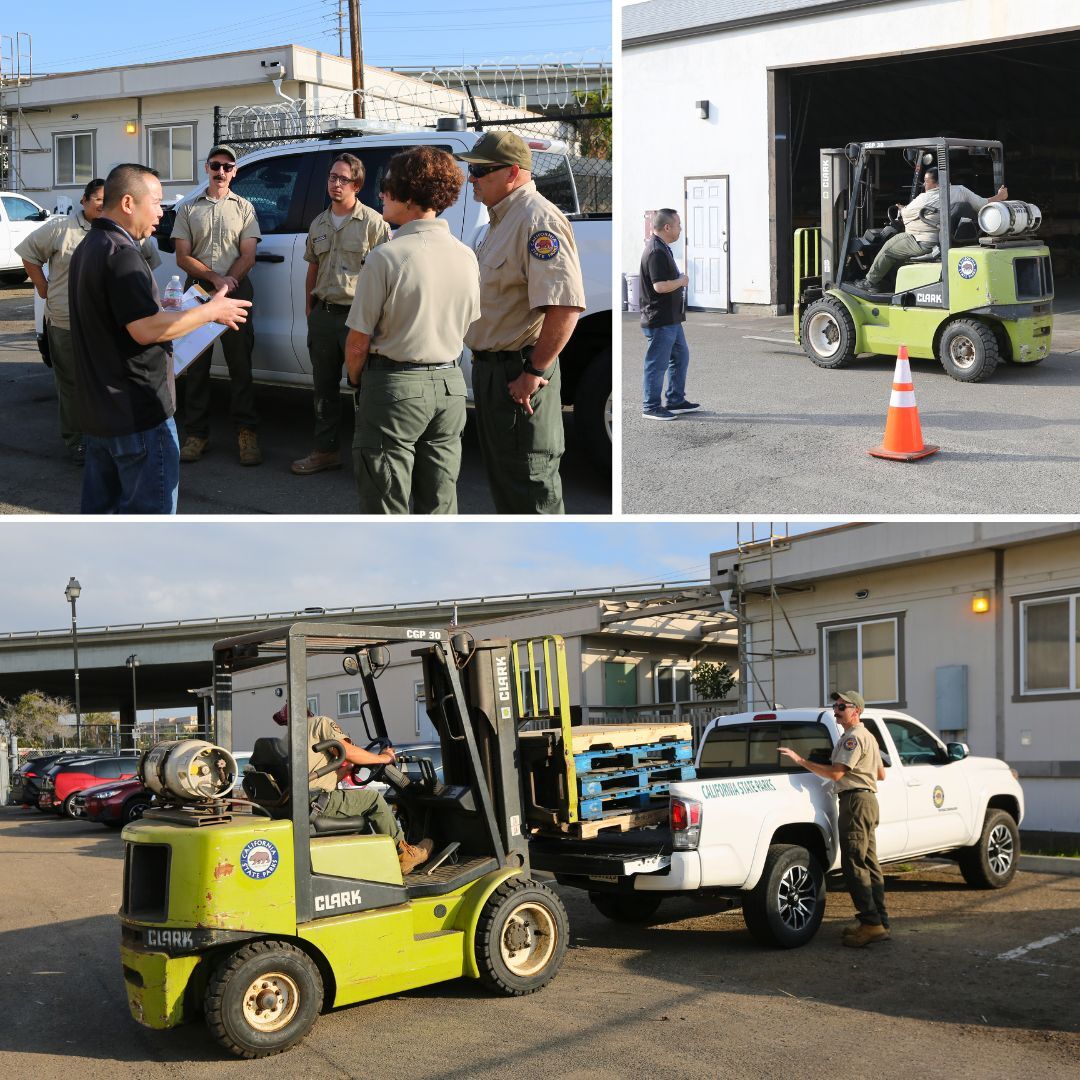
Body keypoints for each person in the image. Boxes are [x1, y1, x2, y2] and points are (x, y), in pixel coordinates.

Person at [67, 164, 251, 514]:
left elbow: (122, 317)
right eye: (156, 202)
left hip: (101, 414)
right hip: (137, 414)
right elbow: (145, 329)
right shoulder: (123, 255)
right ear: (127, 203)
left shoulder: (91, 245)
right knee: (148, 531)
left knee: (101, 523)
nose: (161, 213)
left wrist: (164, 309)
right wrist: (212, 312)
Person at [455, 131, 585, 515]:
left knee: (531, 485)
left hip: (520, 373)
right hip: (494, 371)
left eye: (481, 171)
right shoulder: (501, 219)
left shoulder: (536, 219)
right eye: (471, 170)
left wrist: (533, 371)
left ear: (513, 172)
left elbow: (564, 307)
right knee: (507, 483)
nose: (471, 179)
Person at [345, 146, 480, 514]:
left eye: (387, 187)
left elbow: (358, 342)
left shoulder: (387, 256)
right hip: (450, 384)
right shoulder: (465, 254)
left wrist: (357, 381)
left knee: (385, 501)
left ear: (407, 193)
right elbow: (469, 322)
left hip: (395, 386)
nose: (381, 194)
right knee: (440, 501)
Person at [17, 178, 161, 465]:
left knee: (106, 386)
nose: (102, 203)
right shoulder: (61, 228)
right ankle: (76, 441)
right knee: (71, 385)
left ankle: (104, 440)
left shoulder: (128, 232)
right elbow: (28, 253)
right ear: (83, 201)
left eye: (106, 198)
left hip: (109, 328)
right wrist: (42, 287)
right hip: (65, 323)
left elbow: (148, 262)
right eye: (97, 198)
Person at [292, 153, 391, 476]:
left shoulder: (374, 224)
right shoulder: (319, 223)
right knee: (324, 389)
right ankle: (326, 450)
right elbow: (313, 268)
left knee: (365, 389)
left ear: (357, 185)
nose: (335, 184)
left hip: (358, 319)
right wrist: (310, 309)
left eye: (343, 179)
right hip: (324, 315)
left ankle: (369, 458)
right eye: (332, 177)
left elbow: (386, 276)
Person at [171, 145, 263, 465]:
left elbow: (248, 254)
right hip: (198, 294)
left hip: (235, 293)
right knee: (197, 368)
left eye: (227, 166)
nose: (221, 171)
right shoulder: (187, 209)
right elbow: (182, 256)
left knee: (241, 367)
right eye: (215, 165)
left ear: (235, 171)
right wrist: (214, 279)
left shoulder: (245, 208)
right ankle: (196, 435)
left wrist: (227, 282)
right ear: (206, 168)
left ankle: (246, 433)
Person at [778, 690, 889, 948]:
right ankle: (879, 922)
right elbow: (881, 773)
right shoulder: (868, 736)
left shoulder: (853, 738)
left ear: (856, 711)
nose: (836, 710)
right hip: (867, 801)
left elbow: (837, 774)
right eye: (835, 705)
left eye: (842, 706)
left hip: (855, 802)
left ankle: (871, 924)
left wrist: (801, 760)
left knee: (855, 864)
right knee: (869, 863)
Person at [273, 703, 433, 875]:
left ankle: (370, 859)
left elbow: (317, 777)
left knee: (358, 807)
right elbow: (347, 751)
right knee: (373, 800)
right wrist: (383, 758)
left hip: (301, 801)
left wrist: (348, 769)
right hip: (315, 802)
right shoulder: (320, 723)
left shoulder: (289, 738)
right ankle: (404, 855)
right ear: (308, 713)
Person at [856, 167, 1009, 293]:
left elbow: (905, 215)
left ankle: (870, 282)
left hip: (922, 241)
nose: (924, 185)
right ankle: (893, 282)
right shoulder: (961, 191)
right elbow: (982, 203)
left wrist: (902, 209)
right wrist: (1000, 196)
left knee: (889, 247)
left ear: (936, 184)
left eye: (927, 181)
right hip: (946, 240)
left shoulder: (925, 198)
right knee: (898, 252)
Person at [639, 208, 698, 421]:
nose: (680, 229)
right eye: (678, 225)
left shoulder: (662, 247)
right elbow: (659, 286)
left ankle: (675, 400)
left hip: (670, 318)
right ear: (667, 227)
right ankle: (651, 406)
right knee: (657, 363)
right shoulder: (656, 251)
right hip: (660, 319)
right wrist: (681, 281)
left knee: (680, 357)